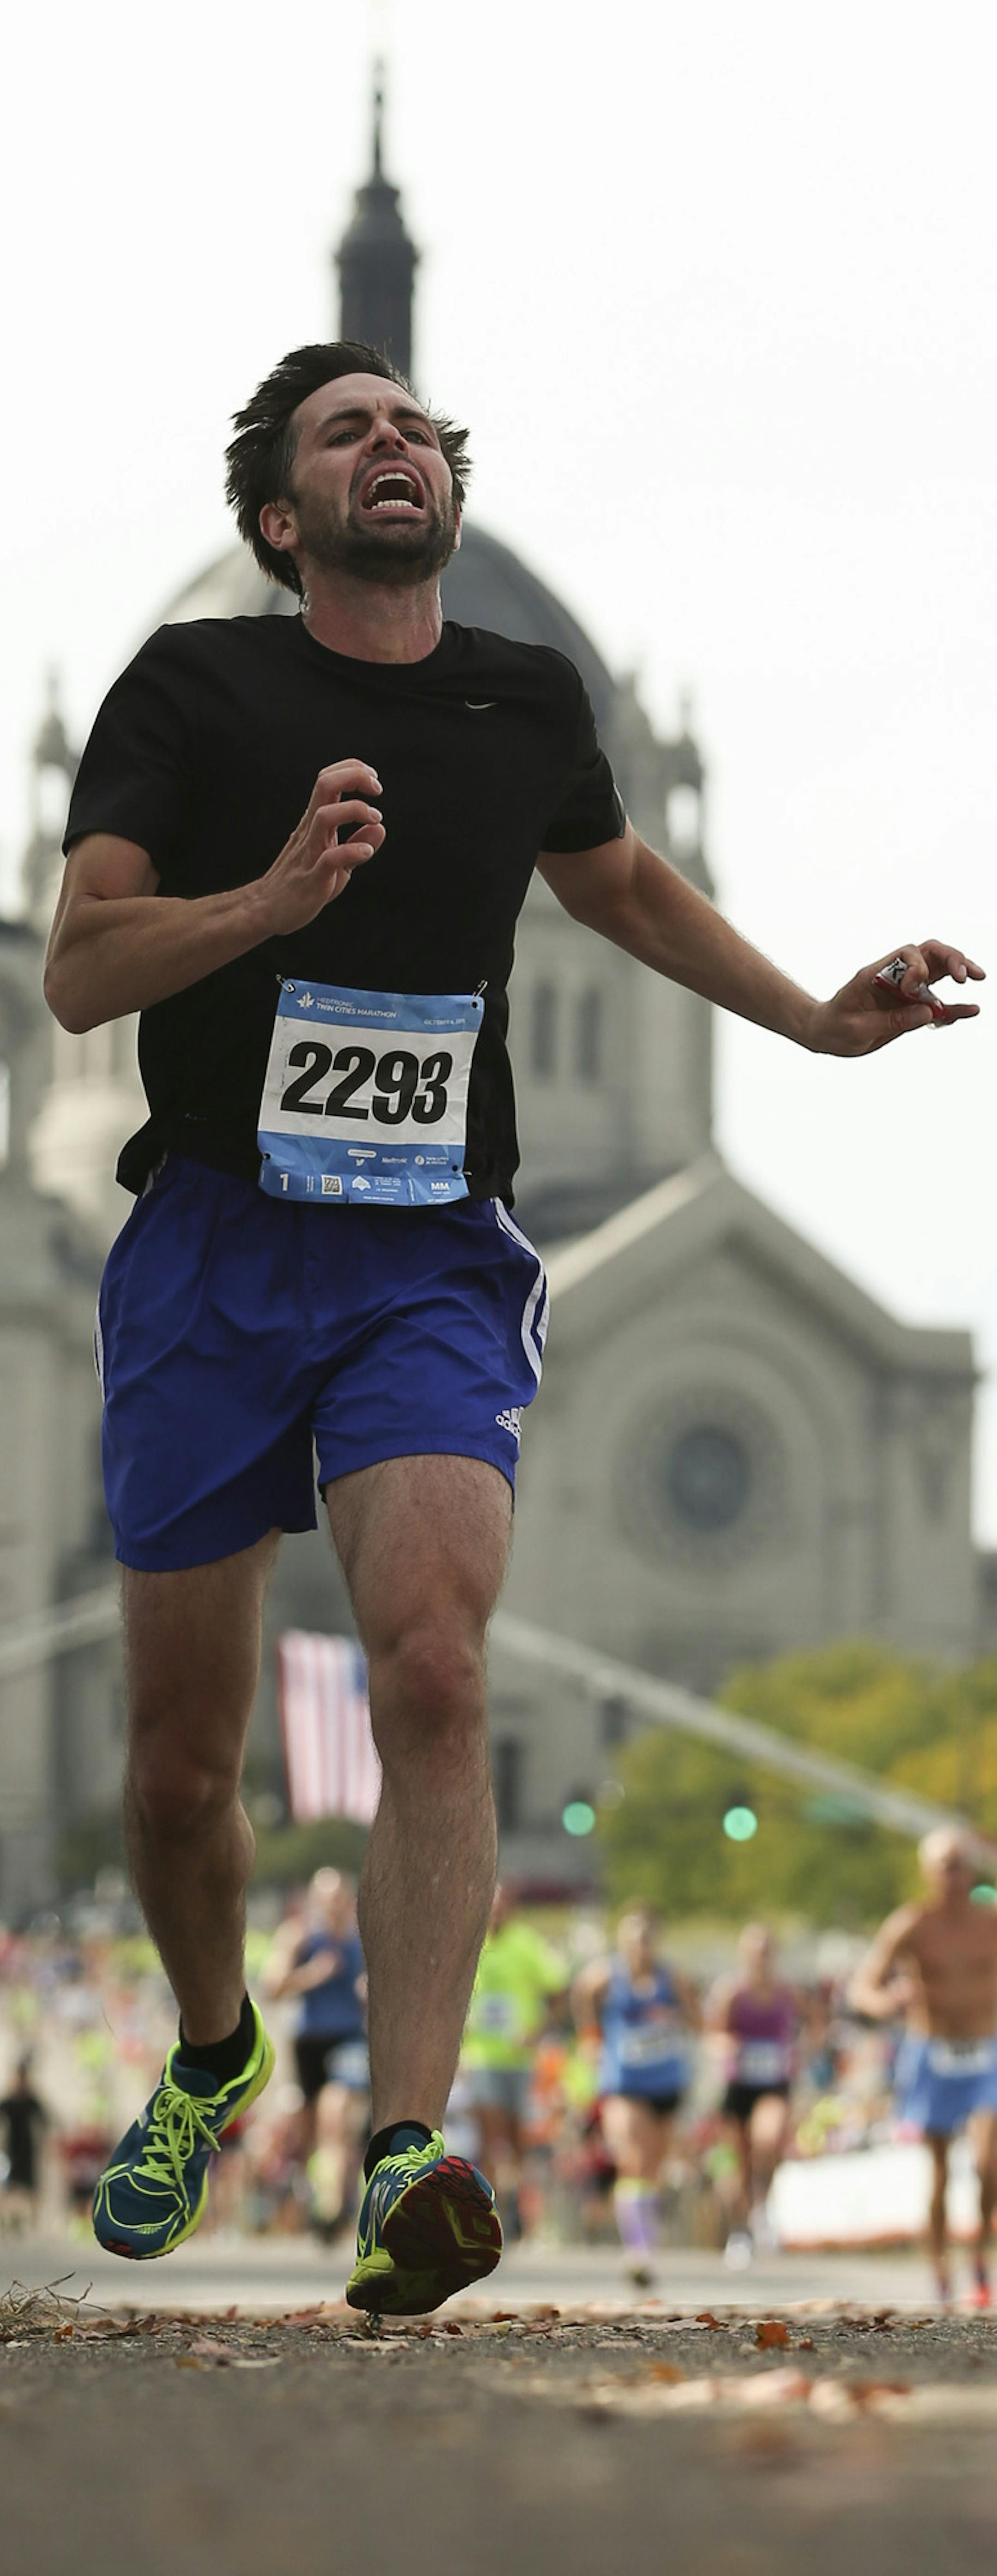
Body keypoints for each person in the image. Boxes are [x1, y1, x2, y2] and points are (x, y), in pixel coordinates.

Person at [42, 333, 983, 2314]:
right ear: (281, 512)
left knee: (443, 1669)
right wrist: (271, 901)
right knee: (184, 1776)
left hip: (432, 1244)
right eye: (343, 429)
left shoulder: (523, 693)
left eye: (414, 423)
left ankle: (403, 2158)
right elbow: (76, 975)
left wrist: (819, 1015)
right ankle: (212, 2051)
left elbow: (622, 886)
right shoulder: (190, 681)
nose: (394, 441)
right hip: (216, 1239)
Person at [852, 1828, 997, 2306]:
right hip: (933, 2052)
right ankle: (940, 2267)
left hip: (984, 2052)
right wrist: (889, 2000)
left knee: (988, 2162)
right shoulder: (913, 1924)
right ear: (928, 1871)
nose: (955, 1875)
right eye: (946, 1865)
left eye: (962, 1864)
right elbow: (863, 1987)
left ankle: (979, 2255)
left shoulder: (990, 1920)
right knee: (938, 2171)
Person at [574, 1906, 699, 2283]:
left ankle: (648, 2243)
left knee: (653, 2167)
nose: (639, 1947)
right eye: (632, 1939)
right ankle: (638, 2251)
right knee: (633, 2158)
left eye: (646, 1939)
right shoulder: (606, 1975)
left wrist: (672, 2018)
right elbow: (581, 1993)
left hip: (665, 2081)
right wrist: (591, 2036)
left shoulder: (671, 1977)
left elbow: (697, 2019)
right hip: (623, 2081)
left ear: (655, 1942)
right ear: (622, 1942)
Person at [263, 1867, 368, 2234]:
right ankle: (311, 2194)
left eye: (340, 1898)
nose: (334, 1906)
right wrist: (313, 1974)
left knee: (335, 2114)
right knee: (308, 2132)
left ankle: (333, 2204)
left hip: (349, 2038)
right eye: (326, 1899)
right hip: (309, 2039)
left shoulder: (362, 1939)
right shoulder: (299, 1936)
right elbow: (272, 1986)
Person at [462, 1883, 564, 2229]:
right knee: (492, 2135)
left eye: (504, 1904)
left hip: (520, 2059)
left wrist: (537, 2032)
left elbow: (560, 1992)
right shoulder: (470, 1942)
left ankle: (517, 2201)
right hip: (482, 2057)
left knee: (520, 2136)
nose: (498, 1910)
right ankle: (492, 2206)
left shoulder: (528, 1944)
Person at [706, 1925, 800, 2265]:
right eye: (755, 1952)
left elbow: (812, 2023)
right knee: (740, 2163)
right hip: (740, 2083)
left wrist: (801, 2049)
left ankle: (763, 2207)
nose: (761, 1958)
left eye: (766, 1952)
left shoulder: (786, 1992)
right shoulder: (732, 1992)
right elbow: (713, 2033)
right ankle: (741, 2230)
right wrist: (727, 2047)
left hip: (774, 2080)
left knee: (769, 2140)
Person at [0, 2057, 48, 2231]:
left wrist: (46, 2147)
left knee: (31, 2189)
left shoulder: (31, 2101)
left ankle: (34, 2223)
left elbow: (45, 2123)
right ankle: (7, 2222)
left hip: (28, 2150)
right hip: (11, 2150)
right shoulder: (9, 2101)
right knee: (9, 2188)